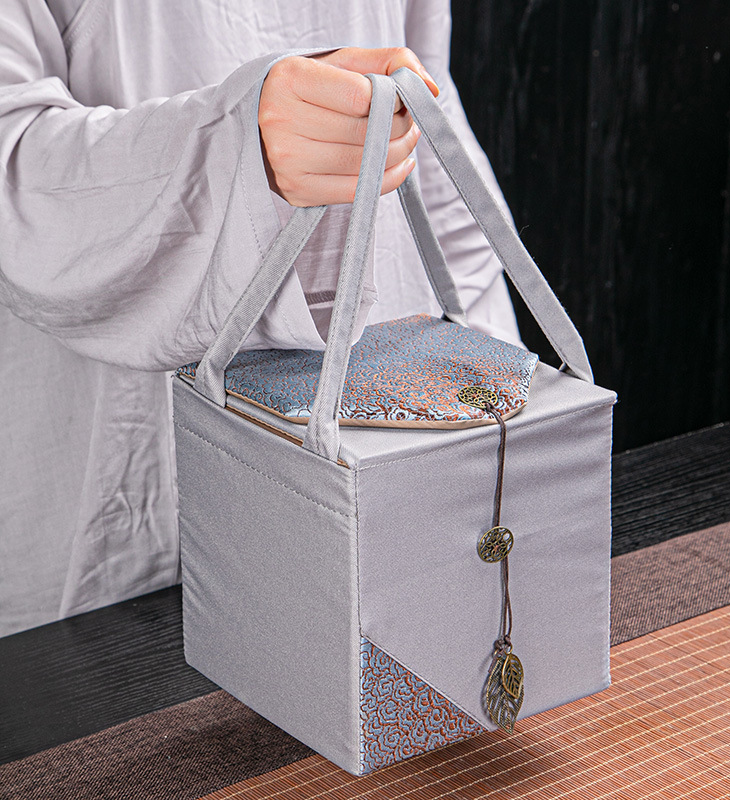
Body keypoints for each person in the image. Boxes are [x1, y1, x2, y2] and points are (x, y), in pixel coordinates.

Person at [0, 0, 523, 636]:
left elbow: (427, 105)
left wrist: (501, 396)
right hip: (129, 477)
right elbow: (11, 164)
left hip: (399, 427)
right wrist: (234, 149)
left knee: (412, 648)